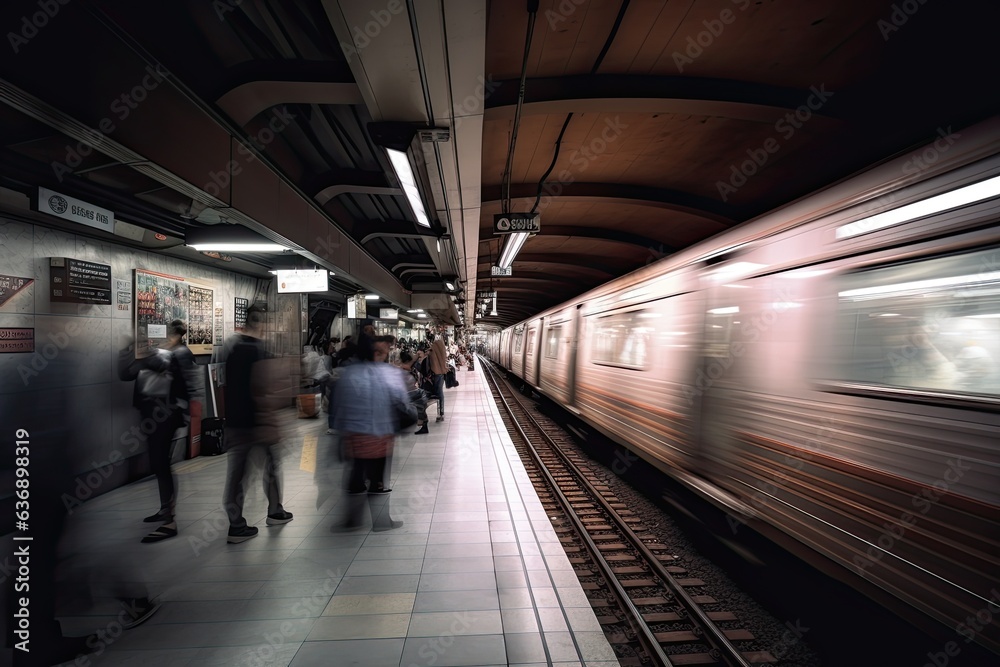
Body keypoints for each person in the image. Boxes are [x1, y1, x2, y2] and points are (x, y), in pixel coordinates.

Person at [122, 320, 203, 543]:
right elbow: (126, 373)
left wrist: (138, 346)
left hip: (167, 414)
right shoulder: (162, 352)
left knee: (161, 462)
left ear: (176, 334)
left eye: (168, 333)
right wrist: (130, 350)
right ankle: (165, 509)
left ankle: (170, 519)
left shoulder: (179, 353)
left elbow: (173, 374)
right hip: (151, 413)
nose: (164, 336)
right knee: (158, 462)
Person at [222, 306, 293, 544]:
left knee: (238, 474)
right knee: (270, 467)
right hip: (257, 423)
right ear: (262, 324)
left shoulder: (232, 350)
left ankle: (236, 524)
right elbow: (263, 390)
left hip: (235, 422)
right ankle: (274, 511)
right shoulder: (259, 352)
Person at [332, 334, 416, 530]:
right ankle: (381, 522)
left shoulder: (349, 374)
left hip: (354, 437)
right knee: (377, 479)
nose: (387, 354)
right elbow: (403, 403)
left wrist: (341, 434)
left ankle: (351, 521)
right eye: (385, 351)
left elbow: (338, 407)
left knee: (355, 476)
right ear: (377, 353)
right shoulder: (390, 374)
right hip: (380, 435)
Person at [400, 350, 429, 435]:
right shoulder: (412, 370)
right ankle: (423, 424)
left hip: (412, 394)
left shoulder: (403, 369)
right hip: (418, 393)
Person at [428, 332, 448, 422]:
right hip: (441, 374)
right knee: (440, 394)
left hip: (435, 375)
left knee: (438, 394)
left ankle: (440, 414)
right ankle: (441, 413)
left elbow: (431, 364)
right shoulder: (442, 351)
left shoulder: (433, 351)